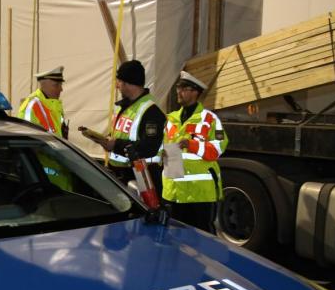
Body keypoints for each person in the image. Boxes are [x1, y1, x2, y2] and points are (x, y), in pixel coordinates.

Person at [80, 60, 166, 195]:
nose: (117, 87)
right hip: (123, 176)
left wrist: (115, 145)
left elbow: (149, 147)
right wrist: (105, 141)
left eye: (118, 82)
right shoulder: (124, 107)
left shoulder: (151, 111)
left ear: (127, 83)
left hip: (143, 179)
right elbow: (122, 135)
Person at [161, 71, 229, 233]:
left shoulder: (209, 119)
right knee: (174, 238)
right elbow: (161, 147)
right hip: (174, 191)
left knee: (202, 237)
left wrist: (191, 145)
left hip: (200, 194)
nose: (178, 91)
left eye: (183, 88)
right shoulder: (170, 119)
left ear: (195, 92)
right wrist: (160, 154)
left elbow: (218, 149)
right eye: (178, 87)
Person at [17, 66, 69, 139]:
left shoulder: (55, 105)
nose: (61, 89)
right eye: (56, 85)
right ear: (44, 85)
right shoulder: (31, 106)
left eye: (61, 85)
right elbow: (25, 139)